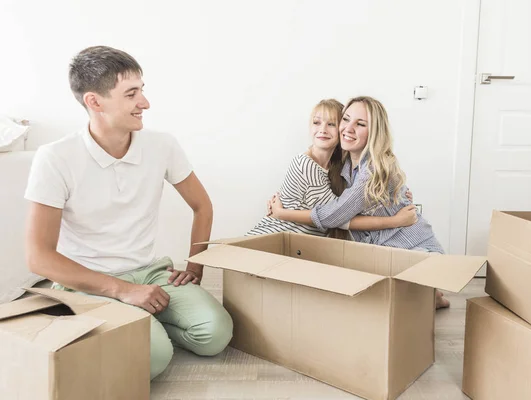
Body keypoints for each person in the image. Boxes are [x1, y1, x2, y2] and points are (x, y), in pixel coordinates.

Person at [24, 45, 233, 379]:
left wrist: (195, 267)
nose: (145, 103)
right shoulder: (55, 158)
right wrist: (122, 291)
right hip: (86, 283)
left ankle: (137, 326)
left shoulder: (161, 145)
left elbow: (201, 205)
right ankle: (117, 328)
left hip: (149, 272)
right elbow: (39, 258)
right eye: (131, 94)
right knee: (154, 358)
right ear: (94, 101)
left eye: (142, 91)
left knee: (214, 335)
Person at [269, 96, 450, 308]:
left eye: (361, 124)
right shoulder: (346, 165)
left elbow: (334, 215)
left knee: (369, 301)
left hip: (413, 250)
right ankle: (429, 296)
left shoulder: (371, 170)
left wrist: (282, 213)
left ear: (374, 132)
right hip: (382, 250)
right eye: (346, 120)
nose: (349, 128)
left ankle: (429, 295)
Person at [247, 99, 418, 237]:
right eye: (316, 122)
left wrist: (397, 193)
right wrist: (396, 220)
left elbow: (359, 195)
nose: (322, 130)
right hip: (273, 238)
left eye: (331, 124)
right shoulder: (305, 164)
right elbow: (337, 218)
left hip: (299, 248)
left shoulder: (340, 166)